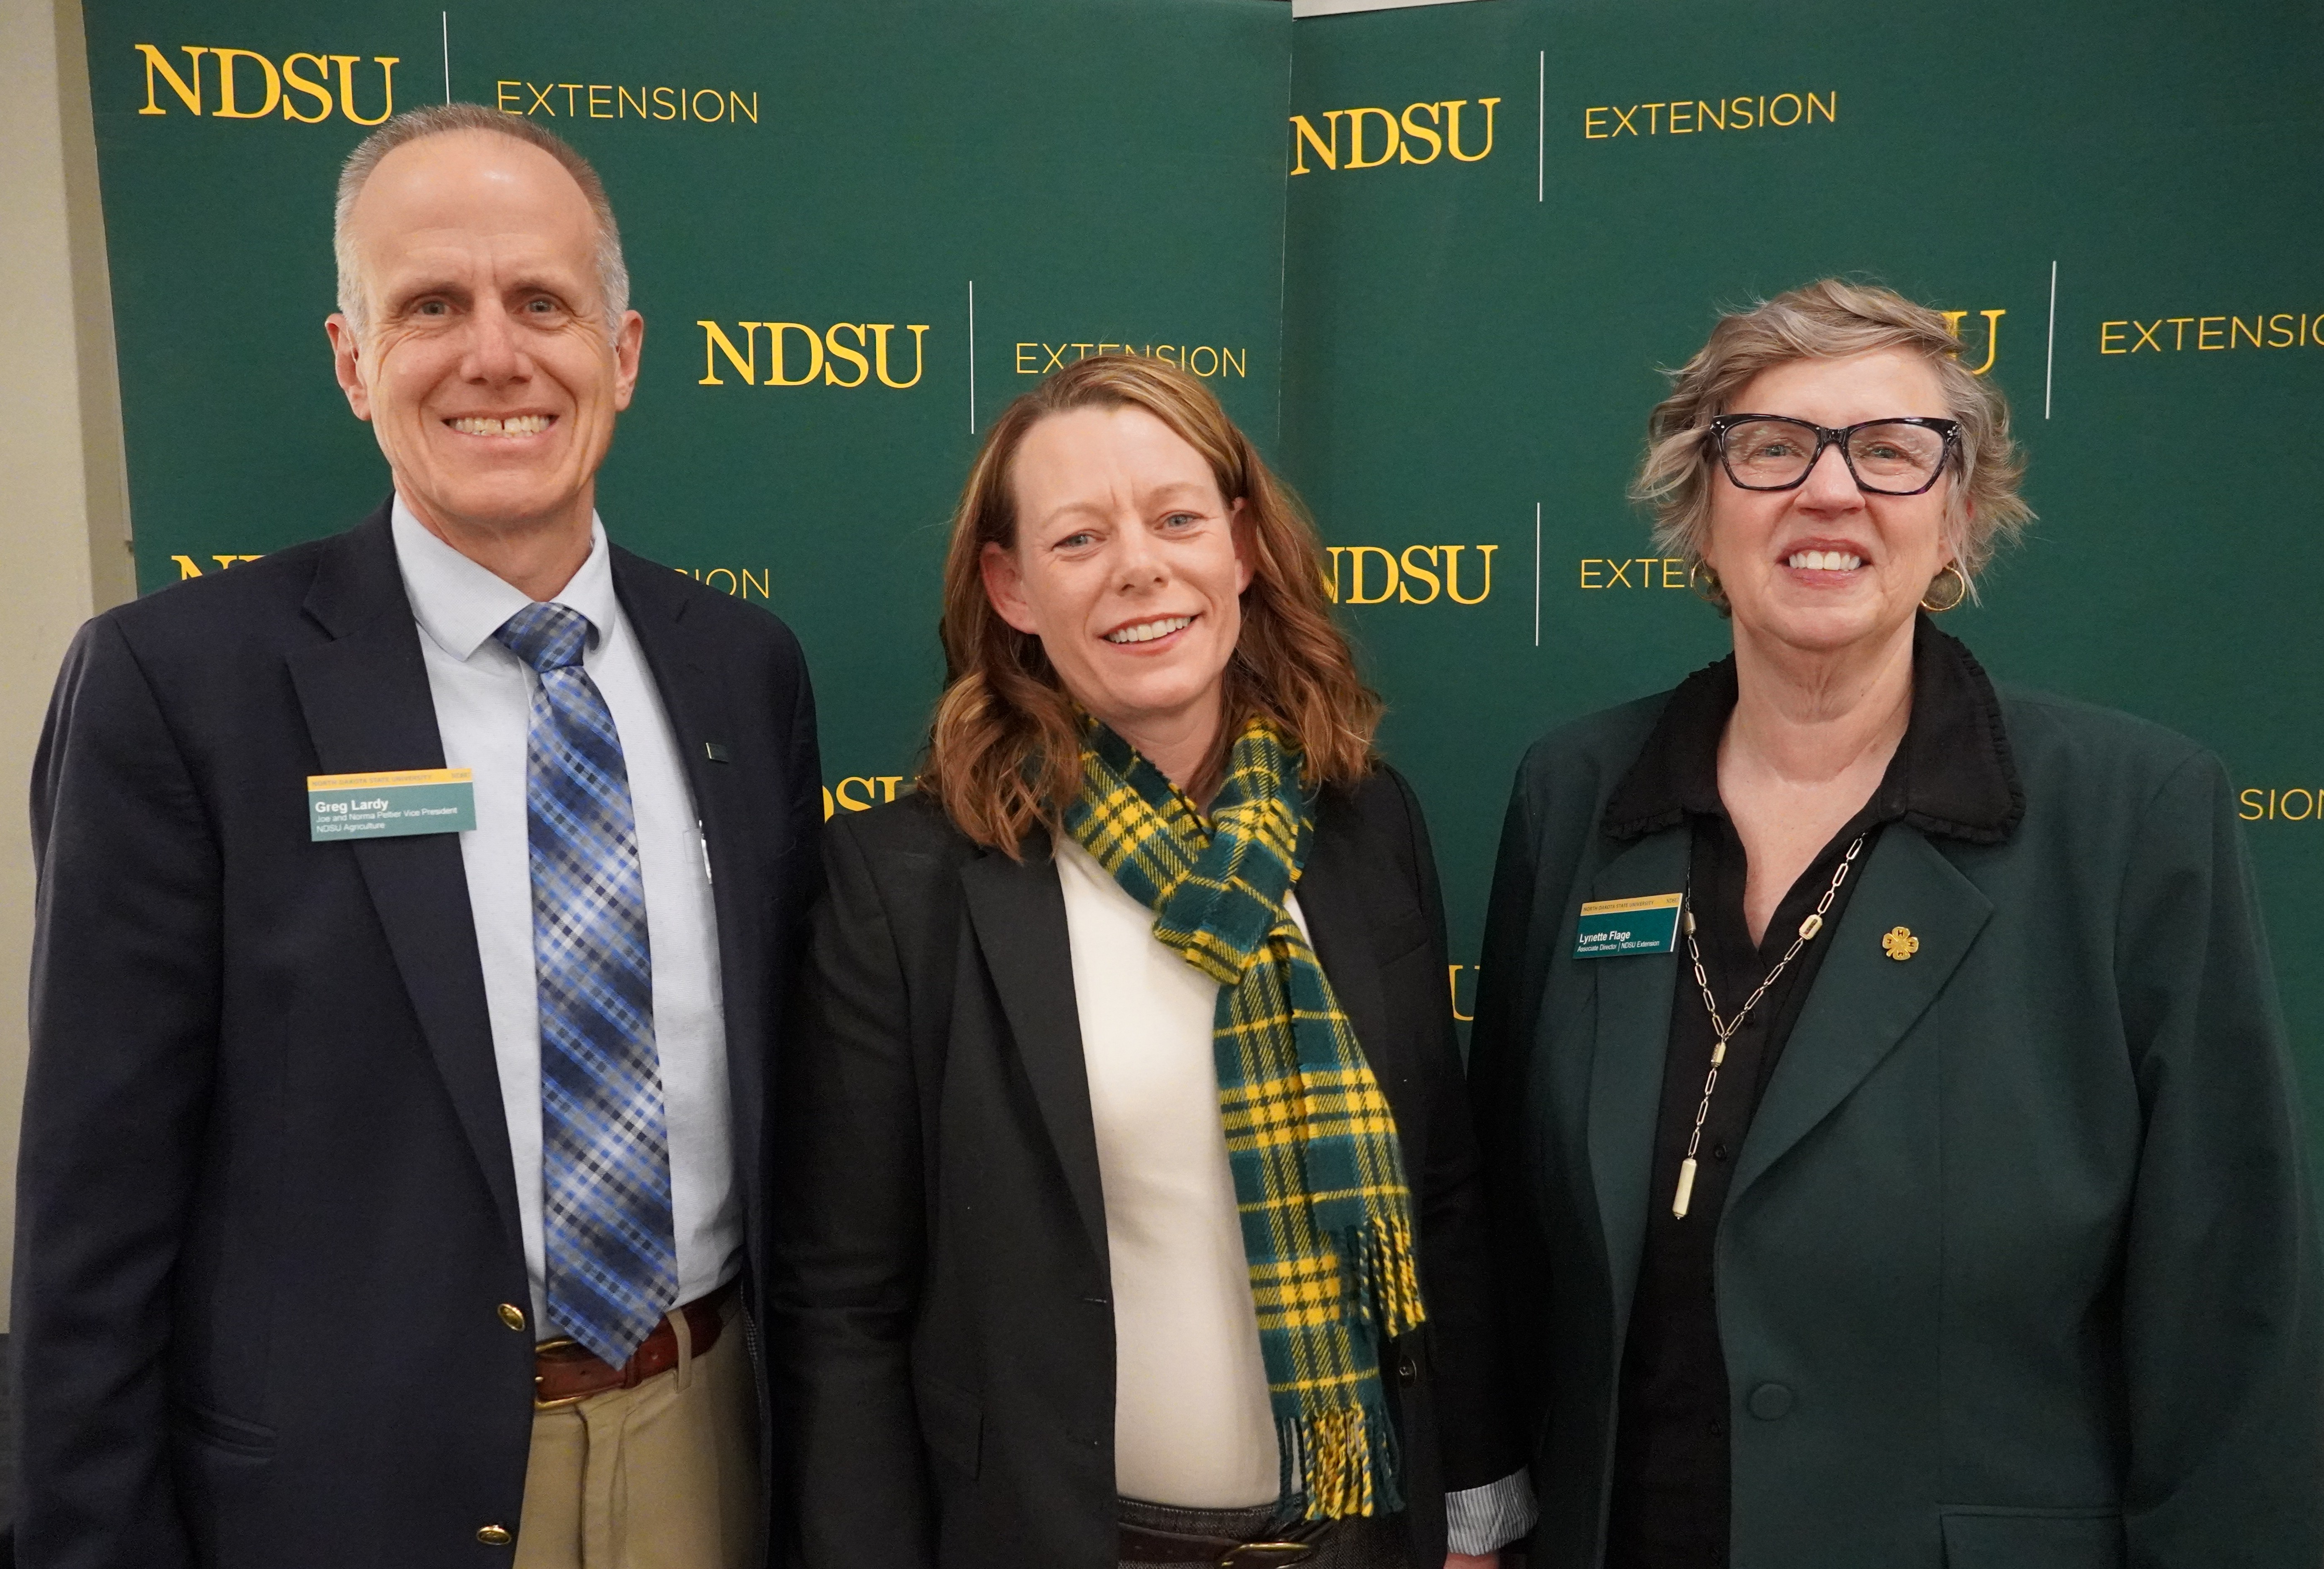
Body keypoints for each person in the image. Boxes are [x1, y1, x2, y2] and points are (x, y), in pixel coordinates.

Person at [15, 105, 822, 1569]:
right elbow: (93, 1206)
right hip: (342, 1491)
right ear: (352, 360)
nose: (493, 356)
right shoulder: (177, 686)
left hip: (711, 1449)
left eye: (543, 303)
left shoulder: (740, 670)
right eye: (430, 306)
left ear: (622, 354)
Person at [1467, 277, 2324, 1569]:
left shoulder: (2134, 814)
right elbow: (1516, 1238)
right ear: (1697, 510)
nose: (1829, 491)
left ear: (1959, 518)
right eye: (1768, 447)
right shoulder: (1577, 797)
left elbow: (2226, 1294)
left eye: (1890, 450)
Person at [772, 354, 1532, 1569]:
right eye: (1078, 539)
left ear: (1238, 547)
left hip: (1361, 1538)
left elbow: (1439, 1194)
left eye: (1177, 519)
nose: (1140, 566)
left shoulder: (1361, 824)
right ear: (1010, 586)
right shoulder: (904, 882)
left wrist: (1476, 1516)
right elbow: (843, 1305)